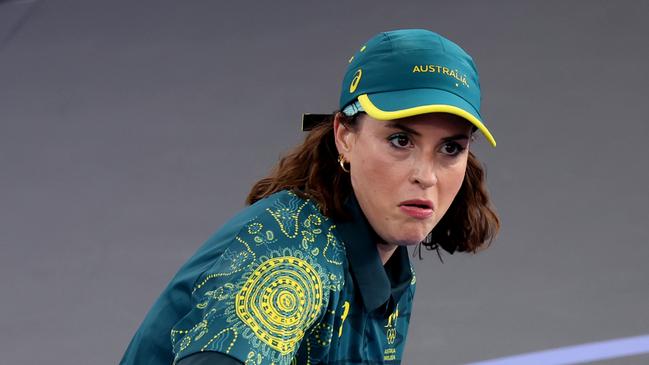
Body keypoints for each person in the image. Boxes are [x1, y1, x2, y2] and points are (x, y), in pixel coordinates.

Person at [120, 28, 500, 365]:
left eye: (451, 149)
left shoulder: (389, 267)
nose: (426, 176)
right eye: (400, 141)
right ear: (344, 136)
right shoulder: (291, 260)